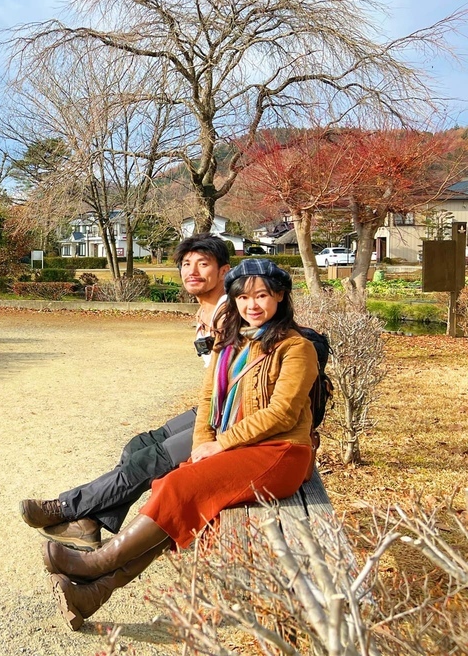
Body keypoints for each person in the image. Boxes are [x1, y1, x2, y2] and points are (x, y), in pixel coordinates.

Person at [43, 258, 318, 630]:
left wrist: (221, 444)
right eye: (243, 297)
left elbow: (283, 414)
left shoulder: (295, 347)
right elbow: (207, 403)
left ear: (280, 297)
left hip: (280, 453)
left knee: (177, 486)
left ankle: (97, 564)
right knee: (173, 494)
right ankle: (95, 592)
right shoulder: (231, 345)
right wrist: (203, 440)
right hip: (238, 448)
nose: (252, 305)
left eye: (262, 295)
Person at [19, 234, 230, 552]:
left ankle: (66, 509)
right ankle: (89, 526)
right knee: (138, 446)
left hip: (231, 419)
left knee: (147, 461)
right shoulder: (206, 314)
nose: (193, 271)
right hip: (213, 407)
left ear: (224, 272)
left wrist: (211, 431)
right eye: (186, 264)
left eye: (203, 264)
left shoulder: (230, 313)